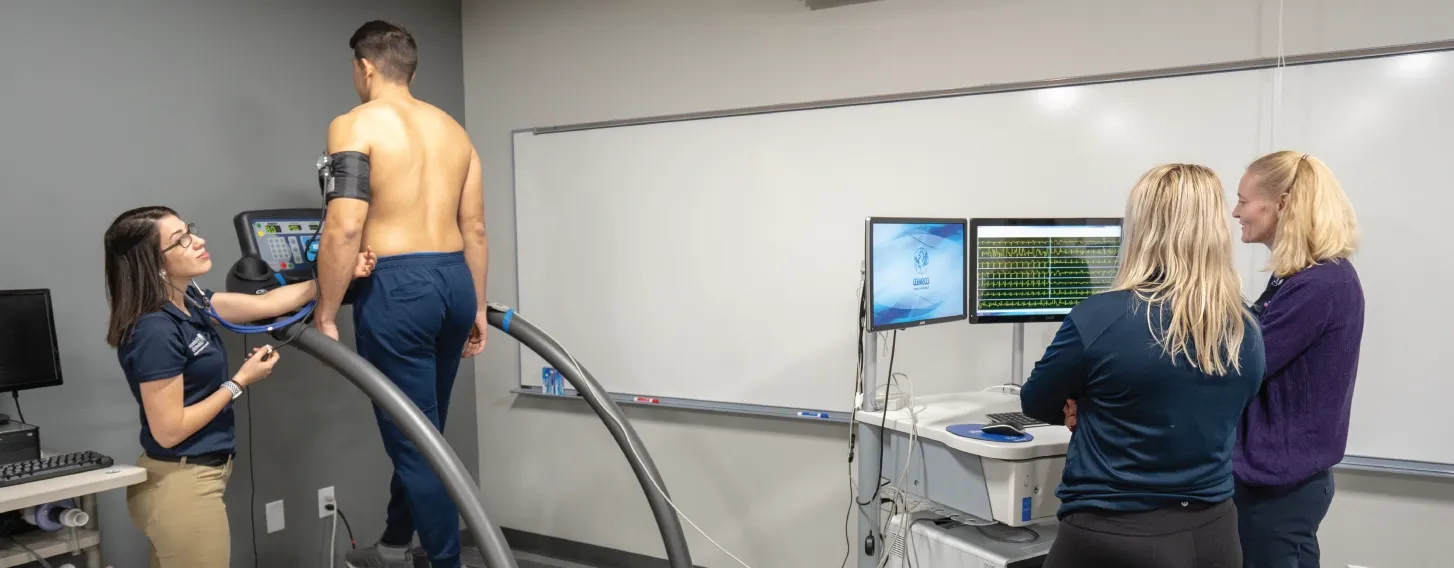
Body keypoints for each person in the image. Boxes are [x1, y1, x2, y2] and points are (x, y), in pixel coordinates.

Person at [1020, 164, 1266, 568]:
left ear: (1143, 228)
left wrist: (1085, 405)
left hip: (1113, 537)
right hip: (1215, 537)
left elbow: (1035, 401)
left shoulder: (1100, 317)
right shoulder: (1247, 328)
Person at [103, 206, 375, 568]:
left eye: (191, 230)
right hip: (181, 484)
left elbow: (268, 303)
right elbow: (169, 431)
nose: (197, 241)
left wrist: (341, 272)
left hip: (194, 478)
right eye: (180, 241)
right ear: (153, 263)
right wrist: (239, 382)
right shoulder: (155, 329)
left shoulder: (193, 303)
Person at [310, 20, 489, 568]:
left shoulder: (353, 124)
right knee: (423, 429)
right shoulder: (453, 130)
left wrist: (325, 314)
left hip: (400, 287)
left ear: (364, 67)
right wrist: (478, 304)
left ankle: (444, 561)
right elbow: (476, 228)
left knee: (416, 444)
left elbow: (342, 227)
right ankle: (393, 543)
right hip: (454, 278)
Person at [1231, 151, 1363, 568]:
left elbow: (1247, 365)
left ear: (1283, 204)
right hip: (1279, 480)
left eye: (1244, 200)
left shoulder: (1320, 284)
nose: (1236, 212)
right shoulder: (1297, 278)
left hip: (1278, 486)